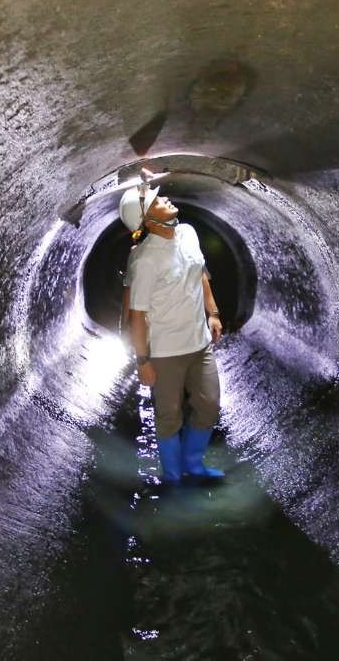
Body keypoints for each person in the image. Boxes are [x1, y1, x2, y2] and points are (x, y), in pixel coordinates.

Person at [117, 179, 225, 483]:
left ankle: (193, 463)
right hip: (165, 352)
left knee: (209, 406)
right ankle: (173, 478)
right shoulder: (145, 259)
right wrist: (143, 361)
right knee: (168, 418)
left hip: (199, 343)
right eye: (156, 201)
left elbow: (201, 273)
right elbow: (137, 316)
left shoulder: (188, 233)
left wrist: (213, 313)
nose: (164, 198)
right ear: (147, 219)